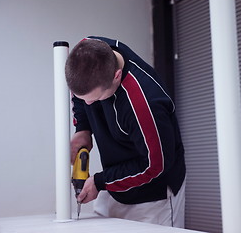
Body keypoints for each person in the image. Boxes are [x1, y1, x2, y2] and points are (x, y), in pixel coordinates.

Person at [65, 36, 186, 228]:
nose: (88, 104)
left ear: (116, 75)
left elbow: (155, 166)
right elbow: (81, 99)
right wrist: (83, 129)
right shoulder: (87, 52)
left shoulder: (144, 104)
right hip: (113, 182)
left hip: (152, 196)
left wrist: (101, 181)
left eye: (95, 99)